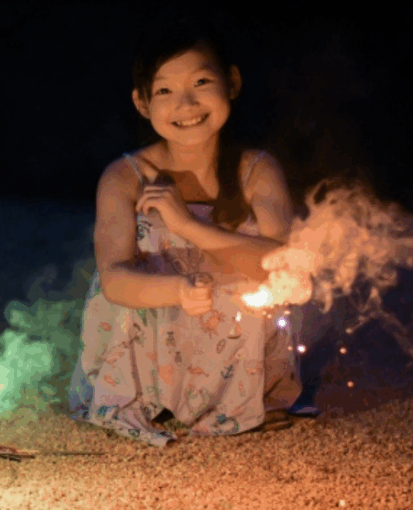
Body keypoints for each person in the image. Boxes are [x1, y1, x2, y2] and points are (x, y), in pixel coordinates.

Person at [68, 18, 303, 445]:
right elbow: (114, 280)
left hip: (235, 346)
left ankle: (239, 398)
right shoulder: (125, 176)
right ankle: (154, 398)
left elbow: (283, 270)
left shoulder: (256, 170)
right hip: (149, 346)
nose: (186, 103)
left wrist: (186, 225)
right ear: (141, 102)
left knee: (262, 289)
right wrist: (177, 290)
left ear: (231, 82)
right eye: (164, 91)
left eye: (200, 81)